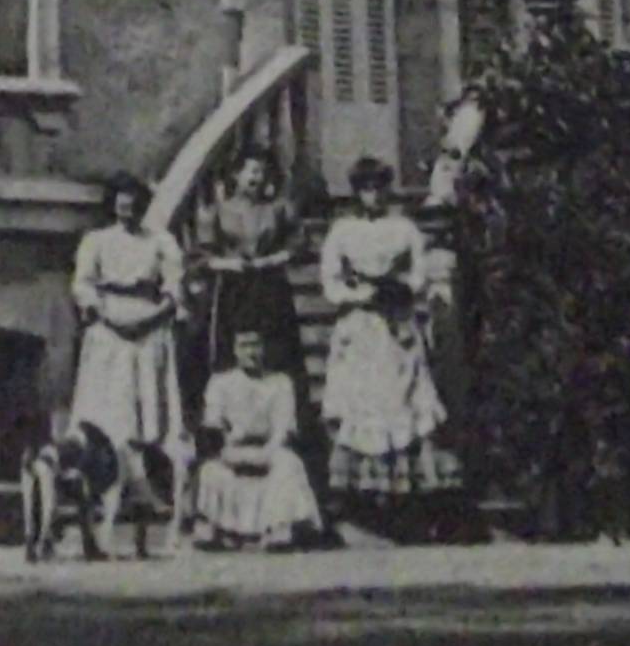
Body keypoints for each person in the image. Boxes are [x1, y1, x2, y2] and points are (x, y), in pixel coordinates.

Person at [316, 154, 454, 503]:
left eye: (378, 189)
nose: (373, 197)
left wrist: (401, 288)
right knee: (362, 397)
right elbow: (330, 283)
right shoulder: (343, 231)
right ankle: (362, 489)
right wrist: (362, 295)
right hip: (361, 324)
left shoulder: (404, 228)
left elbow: (420, 274)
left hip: (396, 323)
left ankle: (405, 487)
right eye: (365, 190)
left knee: (401, 394)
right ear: (356, 193)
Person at [67, 173, 186, 516]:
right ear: (113, 205)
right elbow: (83, 285)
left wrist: (155, 315)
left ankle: (146, 483)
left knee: (148, 406)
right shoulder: (97, 241)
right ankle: (107, 482)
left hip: (149, 326)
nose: (127, 210)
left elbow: (174, 285)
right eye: (121, 203)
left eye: (133, 204)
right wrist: (106, 315)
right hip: (110, 327)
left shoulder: (161, 242)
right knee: (111, 405)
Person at [193, 325, 325, 548]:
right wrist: (230, 451)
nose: (251, 352)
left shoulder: (280, 382)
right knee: (211, 471)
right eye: (244, 346)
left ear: (265, 348)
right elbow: (214, 426)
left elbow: (283, 428)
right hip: (232, 450)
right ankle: (220, 528)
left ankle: (278, 528)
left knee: (289, 465)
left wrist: (266, 454)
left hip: (269, 450)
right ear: (235, 350)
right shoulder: (221, 383)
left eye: (256, 345)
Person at [190, 141, 306, 384]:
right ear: (236, 174)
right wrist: (227, 264)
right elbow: (201, 256)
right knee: (229, 349)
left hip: (270, 288)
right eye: (251, 171)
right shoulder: (219, 210)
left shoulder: (278, 208)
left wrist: (273, 259)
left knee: (276, 350)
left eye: (263, 172)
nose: (257, 178)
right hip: (232, 290)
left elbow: (298, 246)